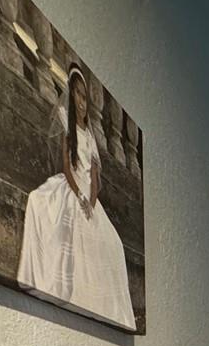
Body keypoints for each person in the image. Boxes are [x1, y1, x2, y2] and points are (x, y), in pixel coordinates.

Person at [17, 65, 135, 329]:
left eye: (85, 97)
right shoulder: (66, 123)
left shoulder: (91, 137)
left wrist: (91, 199)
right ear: (71, 97)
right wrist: (78, 194)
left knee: (112, 243)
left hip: (88, 192)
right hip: (72, 187)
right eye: (78, 96)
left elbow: (93, 175)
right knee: (46, 206)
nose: (81, 102)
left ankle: (106, 306)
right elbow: (68, 167)